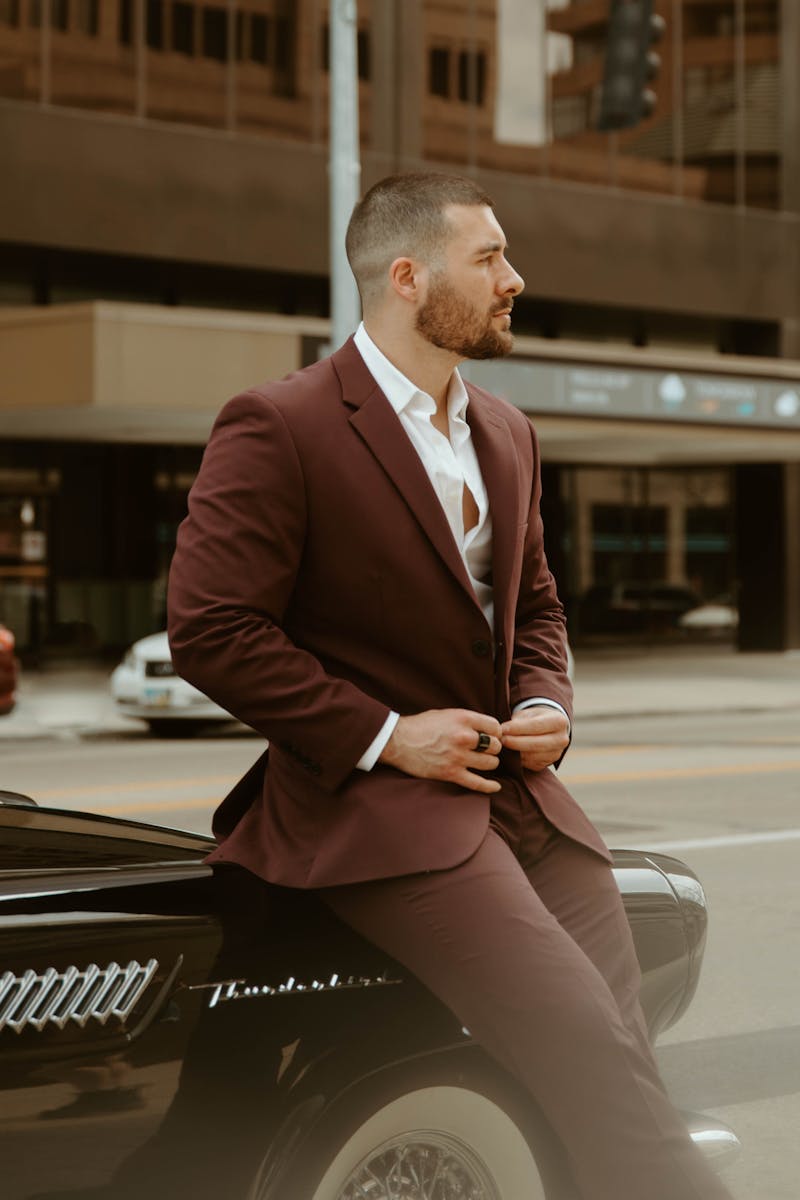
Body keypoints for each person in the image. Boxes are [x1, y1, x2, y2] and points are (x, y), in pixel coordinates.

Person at [167, 172, 734, 1200]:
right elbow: (210, 628)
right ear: (406, 277)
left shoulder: (506, 435)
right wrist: (389, 734)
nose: (513, 279)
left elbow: (539, 609)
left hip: (523, 806)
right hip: (376, 812)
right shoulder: (280, 422)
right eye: (489, 259)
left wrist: (543, 705)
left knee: (615, 1055)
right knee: (590, 1058)